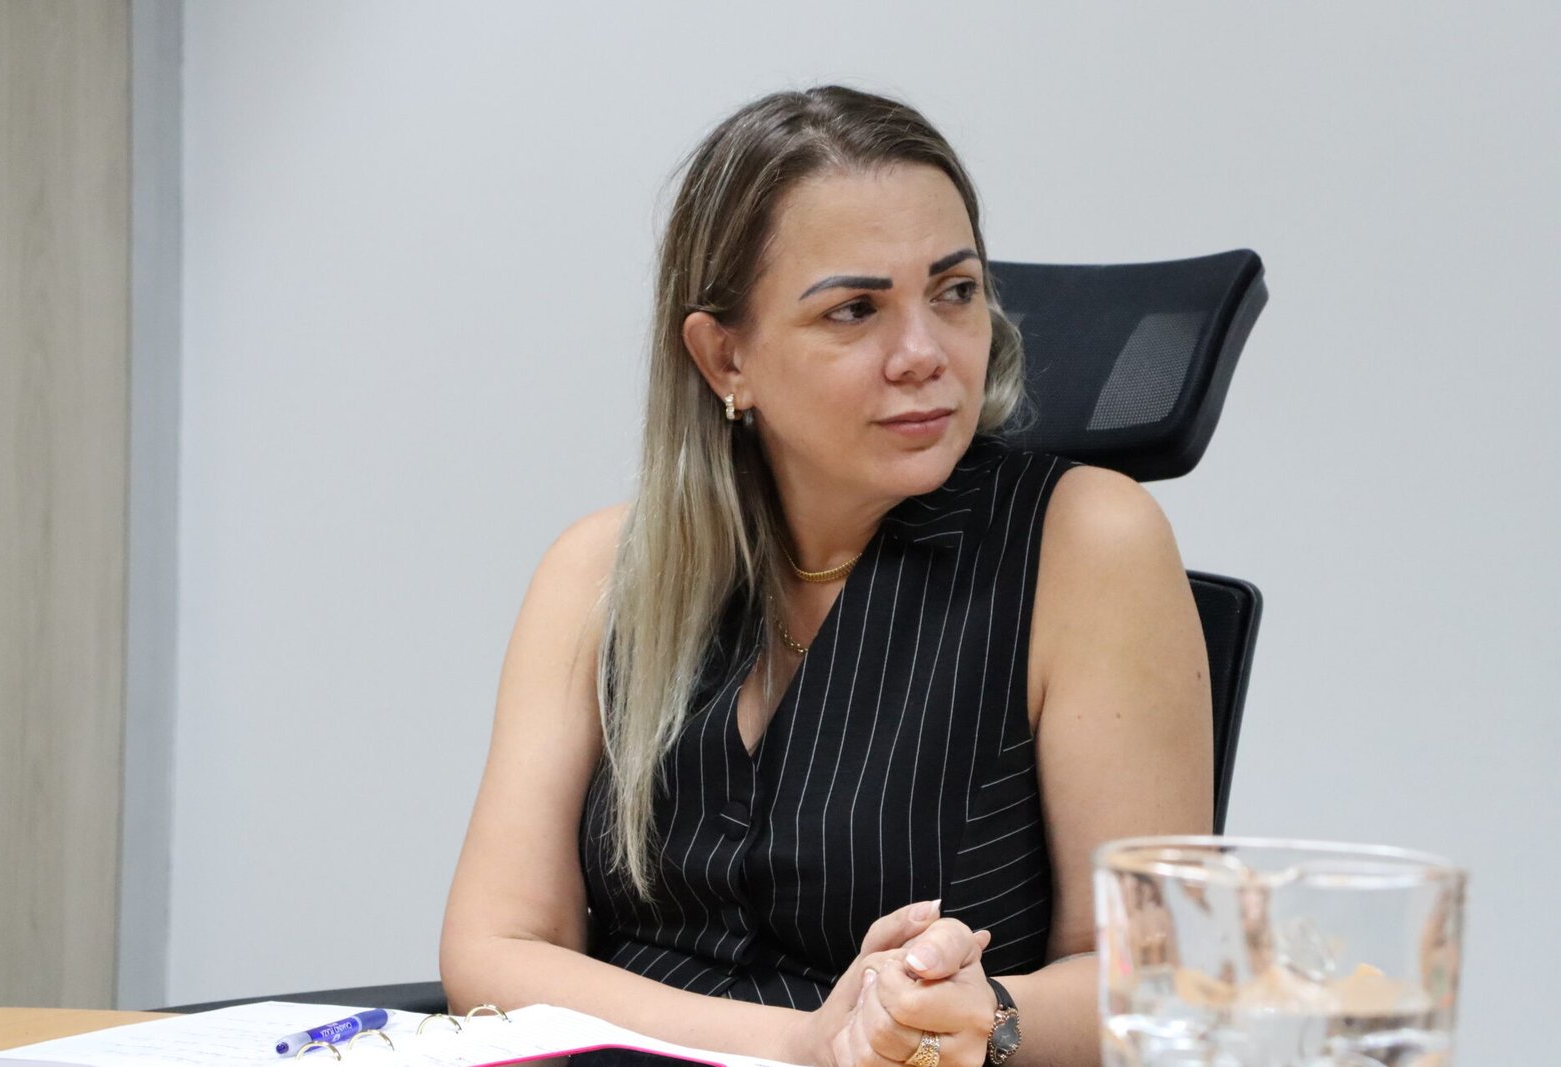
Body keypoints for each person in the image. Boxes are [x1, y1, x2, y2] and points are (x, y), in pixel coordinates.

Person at [441, 85, 1212, 1067]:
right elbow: (496, 946)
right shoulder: (600, 570)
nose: (924, 354)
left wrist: (981, 1013)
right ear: (725, 356)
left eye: (955, 291)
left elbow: (1150, 984)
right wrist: (803, 1041)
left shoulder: (1088, 542)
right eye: (855, 309)